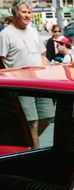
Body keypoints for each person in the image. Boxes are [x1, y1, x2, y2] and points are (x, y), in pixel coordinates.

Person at [0, 0, 53, 148]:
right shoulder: (5, 34)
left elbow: (42, 56)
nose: (27, 15)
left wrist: (50, 71)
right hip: (21, 84)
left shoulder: (34, 31)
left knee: (48, 116)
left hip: (40, 81)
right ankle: (36, 153)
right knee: (32, 121)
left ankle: (24, 142)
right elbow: (1, 60)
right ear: (15, 13)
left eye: (29, 12)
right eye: (24, 12)